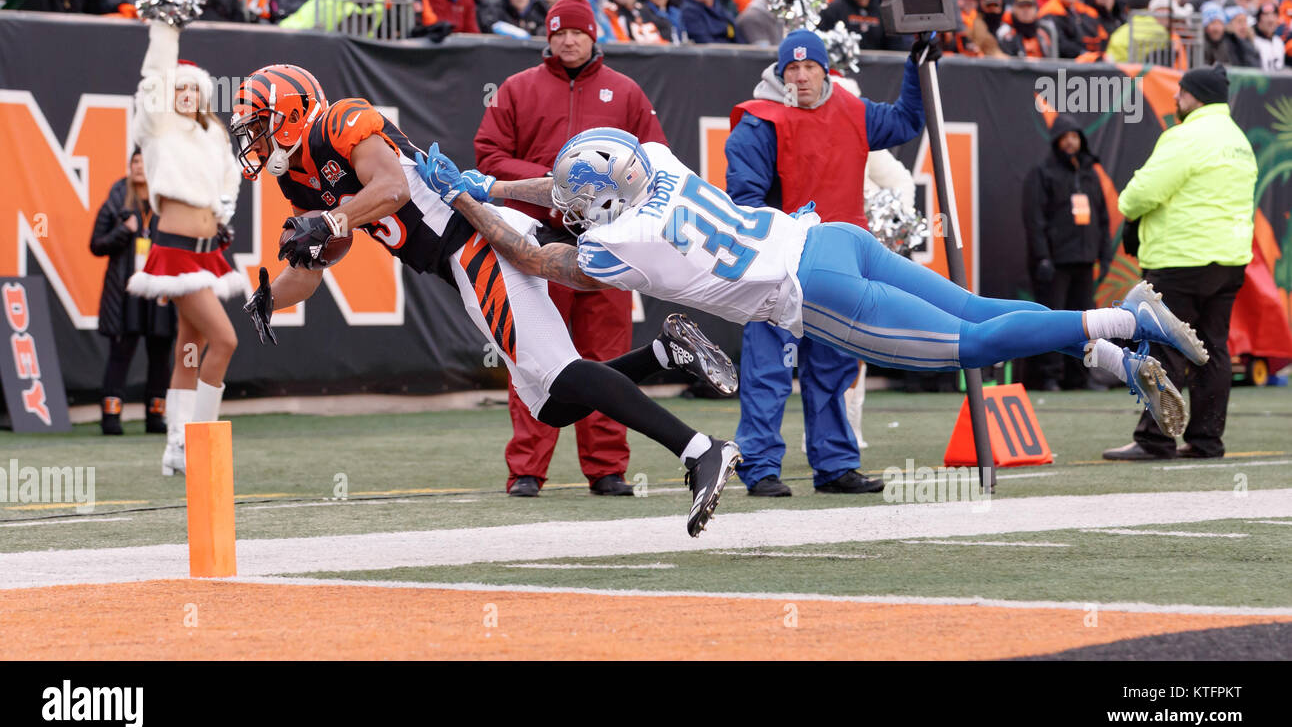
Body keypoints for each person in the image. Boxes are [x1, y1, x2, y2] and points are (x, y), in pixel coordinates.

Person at [425, 116, 1208, 443]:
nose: (568, 208)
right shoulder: (653, 163)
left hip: (812, 292)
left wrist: (466, 195)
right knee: (975, 306)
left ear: (604, 196)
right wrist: (497, 186)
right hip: (826, 236)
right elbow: (569, 192)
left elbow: (532, 256)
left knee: (970, 345)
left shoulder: (622, 244)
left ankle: (1123, 324)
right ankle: (1104, 349)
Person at [231, 65, 741, 538]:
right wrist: (272, 295)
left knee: (560, 373)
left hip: (474, 239)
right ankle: (664, 352)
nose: (252, 138)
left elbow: (389, 189)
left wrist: (332, 221)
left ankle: (700, 450)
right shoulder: (295, 175)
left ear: (293, 113)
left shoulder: (340, 120)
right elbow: (326, 253)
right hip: (456, 261)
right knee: (553, 405)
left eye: (258, 124)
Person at [472, 0, 672, 498]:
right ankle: (526, 469)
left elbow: (658, 160)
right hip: (535, 241)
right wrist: (550, 182)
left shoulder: (624, 91)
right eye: (559, 31)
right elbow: (488, 156)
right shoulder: (517, 90)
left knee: (605, 355)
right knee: (533, 357)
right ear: (548, 36)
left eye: (577, 31)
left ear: (593, 35)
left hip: (608, 242)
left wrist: (612, 193)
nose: (567, 38)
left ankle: (607, 468)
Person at [723, 29, 927, 498]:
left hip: (839, 268)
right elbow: (745, 203)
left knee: (834, 370)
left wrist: (916, 66)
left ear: (825, 70)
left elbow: (906, 121)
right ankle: (759, 466)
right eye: (791, 68)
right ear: (779, 74)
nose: (800, 76)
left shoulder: (852, 110)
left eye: (809, 66)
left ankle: (835, 464)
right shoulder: (760, 122)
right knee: (768, 370)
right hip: (777, 269)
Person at [1103, 65, 1257, 461]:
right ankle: (1207, 441)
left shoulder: (1185, 136)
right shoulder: (1239, 140)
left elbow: (1139, 195)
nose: (1176, 98)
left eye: (1182, 92)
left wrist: (1129, 207)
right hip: (1229, 261)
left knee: (1164, 347)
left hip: (1181, 259)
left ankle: (1155, 440)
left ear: (1197, 96)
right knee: (1213, 349)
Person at [125, 17, 245, 475]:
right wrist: (166, 26)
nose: (186, 95)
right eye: (181, 89)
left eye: (194, 89)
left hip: (207, 249)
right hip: (175, 249)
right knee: (225, 339)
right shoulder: (159, 128)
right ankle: (200, 436)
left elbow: (230, 179)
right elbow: (154, 78)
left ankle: (176, 444)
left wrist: (224, 212)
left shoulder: (213, 134)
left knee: (189, 347)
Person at [89, 150, 177, 436]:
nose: (140, 167)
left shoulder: (165, 203)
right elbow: (96, 245)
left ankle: (155, 416)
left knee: (160, 354)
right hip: (124, 291)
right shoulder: (116, 201)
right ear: (129, 167)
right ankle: (111, 417)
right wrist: (123, 231)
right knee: (121, 352)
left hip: (158, 290)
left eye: (145, 162)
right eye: (135, 162)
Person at [1022, 115, 1113, 392]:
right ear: (1056, 142)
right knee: (1053, 320)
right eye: (1065, 137)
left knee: (1086, 323)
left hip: (1084, 261)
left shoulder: (1090, 174)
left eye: (1075, 136)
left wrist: (1105, 255)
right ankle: (1049, 376)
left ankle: (1080, 377)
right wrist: (1043, 258)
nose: (1071, 141)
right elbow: (1034, 219)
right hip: (1056, 262)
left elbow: (1103, 217)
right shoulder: (1042, 173)